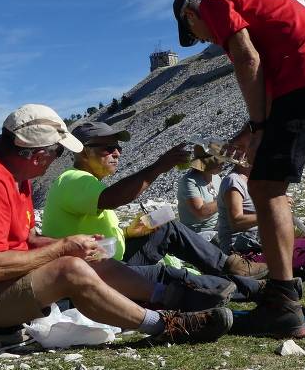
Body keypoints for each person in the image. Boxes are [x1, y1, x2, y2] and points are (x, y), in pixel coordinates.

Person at [0, 105, 232, 344]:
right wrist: (63, 248)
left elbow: (25, 240)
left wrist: (74, 246)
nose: (56, 159)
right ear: (34, 153)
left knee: (89, 256)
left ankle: (176, 300)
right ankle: (164, 325)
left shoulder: (17, 179)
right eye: (56, 152)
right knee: (70, 267)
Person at [173, 0, 305, 336]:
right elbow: (273, 85)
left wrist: (260, 128)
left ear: (189, 14)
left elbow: (248, 59)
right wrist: (250, 131)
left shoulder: (214, 0)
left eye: (196, 34)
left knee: (265, 187)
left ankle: (283, 302)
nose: (208, 40)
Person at [40, 120, 266, 297]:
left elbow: (97, 224)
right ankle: (251, 289)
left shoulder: (86, 183)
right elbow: (111, 199)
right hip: (96, 271)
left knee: (166, 227)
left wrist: (128, 232)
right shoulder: (73, 179)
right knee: (171, 276)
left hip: (109, 260)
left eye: (117, 147)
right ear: (82, 152)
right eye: (107, 148)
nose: (117, 153)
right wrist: (158, 166)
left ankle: (232, 266)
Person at [217, 162, 305, 283]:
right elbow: (236, 221)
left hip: (261, 241)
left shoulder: (257, 179)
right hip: (243, 250)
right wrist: (273, 212)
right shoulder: (234, 181)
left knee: (303, 234)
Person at [177, 154, 223, 241]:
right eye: (219, 161)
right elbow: (201, 213)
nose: (222, 164)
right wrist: (225, 198)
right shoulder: (189, 181)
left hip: (219, 226)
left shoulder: (216, 177)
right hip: (199, 233)